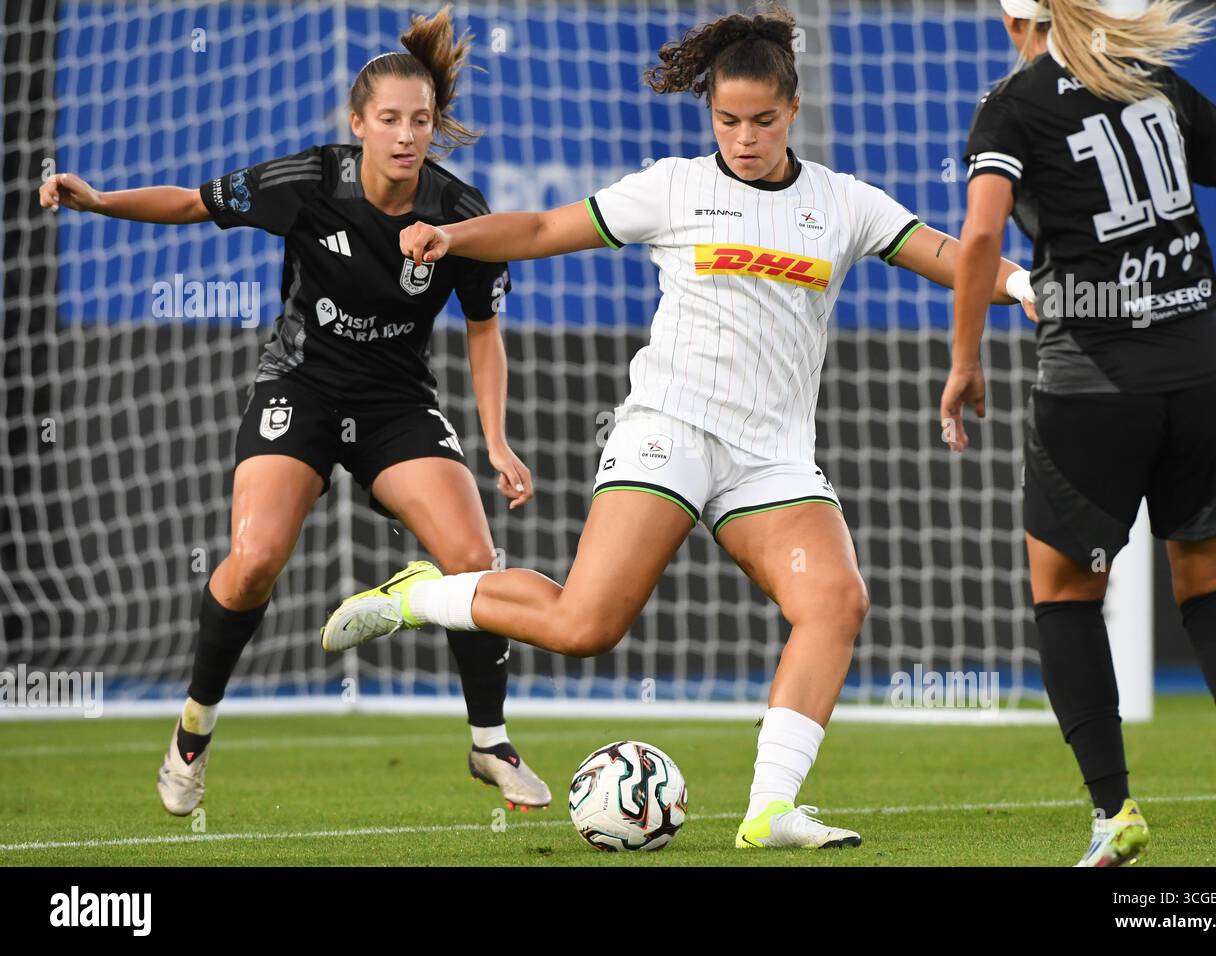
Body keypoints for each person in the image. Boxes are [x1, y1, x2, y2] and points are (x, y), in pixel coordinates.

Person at [322, 4, 1034, 849]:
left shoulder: (843, 204)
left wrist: (1025, 285)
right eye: (727, 119)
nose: (744, 137)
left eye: (763, 120)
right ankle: (421, 595)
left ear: (792, 111)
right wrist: (454, 234)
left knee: (837, 600)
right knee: (586, 626)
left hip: (771, 455)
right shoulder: (674, 187)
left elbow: (957, 259)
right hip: (671, 427)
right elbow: (547, 227)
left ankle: (770, 809)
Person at [38, 8, 553, 815]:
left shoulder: (459, 213)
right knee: (251, 563)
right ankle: (192, 734)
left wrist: (495, 439)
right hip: (299, 387)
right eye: (389, 119)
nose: (407, 134)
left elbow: (483, 331)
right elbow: (190, 205)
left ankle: (489, 743)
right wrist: (96, 200)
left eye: (420, 120)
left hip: (395, 402)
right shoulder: (311, 181)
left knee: (472, 557)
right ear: (359, 124)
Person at [942, 0, 1216, 865]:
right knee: (1213, 589)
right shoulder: (1154, 83)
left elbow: (983, 232)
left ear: (1010, 18)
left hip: (1094, 385)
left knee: (1065, 597)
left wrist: (964, 360)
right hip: (1210, 376)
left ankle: (1116, 812)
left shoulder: (1011, 104)